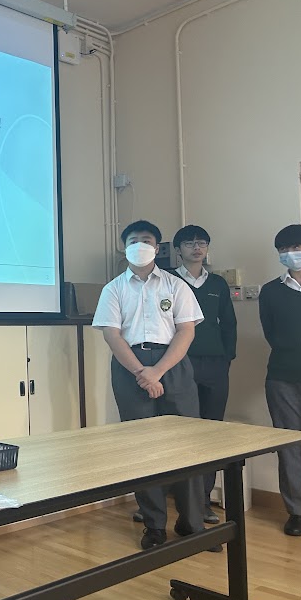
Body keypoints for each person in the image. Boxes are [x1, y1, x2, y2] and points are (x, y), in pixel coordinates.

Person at [92, 220, 218, 551]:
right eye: (133, 241)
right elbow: (112, 335)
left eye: (146, 240)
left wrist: (158, 371)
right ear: (124, 248)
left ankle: (192, 523)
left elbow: (186, 331)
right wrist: (142, 372)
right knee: (141, 449)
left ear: (157, 247)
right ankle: (154, 525)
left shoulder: (176, 285)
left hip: (172, 365)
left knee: (186, 445)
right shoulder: (113, 289)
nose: (140, 245)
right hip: (130, 367)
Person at [171, 225, 237, 524]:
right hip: (179, 363)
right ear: (178, 249)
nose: (197, 248)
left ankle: (203, 499)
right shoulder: (168, 279)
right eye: (189, 243)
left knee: (211, 432)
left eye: (202, 243)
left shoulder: (218, 283)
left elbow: (229, 324)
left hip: (215, 364)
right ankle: (178, 500)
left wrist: (227, 357)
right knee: (180, 432)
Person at [259, 224, 301, 537]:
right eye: (283, 249)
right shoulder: (270, 291)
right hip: (282, 377)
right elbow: (271, 332)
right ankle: (297, 513)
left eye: (295, 247)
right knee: (288, 447)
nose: (289, 254)